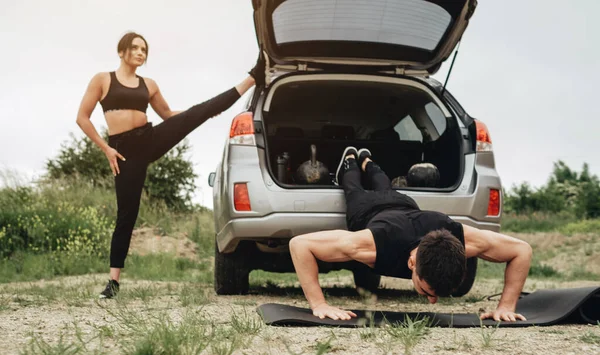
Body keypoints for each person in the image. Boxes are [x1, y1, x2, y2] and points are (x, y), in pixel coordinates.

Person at [75, 32, 265, 299]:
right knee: (126, 215)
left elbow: (166, 115)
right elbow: (82, 118)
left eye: (144, 49)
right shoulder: (103, 79)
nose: (141, 53)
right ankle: (113, 282)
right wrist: (106, 148)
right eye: (135, 48)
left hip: (149, 139)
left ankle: (253, 77)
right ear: (122, 52)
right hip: (124, 152)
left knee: (199, 110)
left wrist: (200, 114)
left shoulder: (149, 84)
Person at [289, 147, 533, 322]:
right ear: (411, 262)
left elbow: (521, 250)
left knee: (385, 185)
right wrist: (319, 304)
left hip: (402, 202)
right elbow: (300, 245)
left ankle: (368, 160)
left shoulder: (458, 237)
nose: (432, 302)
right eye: (427, 291)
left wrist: (506, 306)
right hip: (366, 209)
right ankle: (352, 158)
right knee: (352, 187)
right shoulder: (372, 245)